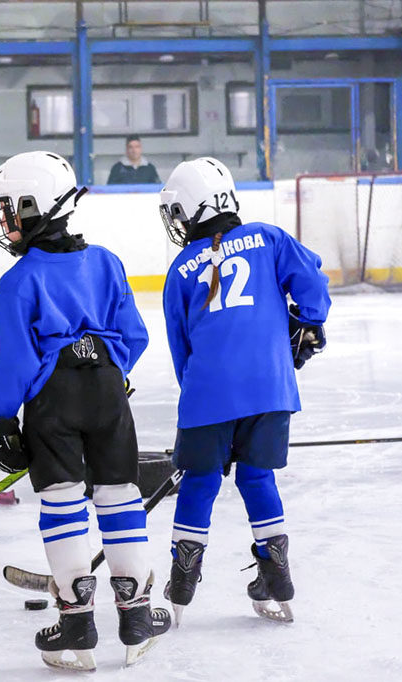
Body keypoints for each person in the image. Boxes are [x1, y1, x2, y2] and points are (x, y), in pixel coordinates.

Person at [0, 151, 170, 671]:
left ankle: (77, 621)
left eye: (11, 209)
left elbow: (15, 362)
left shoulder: (17, 281)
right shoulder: (105, 262)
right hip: (108, 392)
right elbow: (134, 336)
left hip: (50, 401)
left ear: (36, 206)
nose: (5, 220)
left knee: (62, 502)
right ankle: (135, 616)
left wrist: (0, 419)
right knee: (120, 494)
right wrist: (104, 367)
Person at [157, 157, 330, 626]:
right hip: (271, 388)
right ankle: (276, 577)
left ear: (193, 207)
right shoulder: (270, 238)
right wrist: (309, 323)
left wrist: (204, 401)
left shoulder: (180, 268)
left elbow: (181, 348)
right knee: (257, 479)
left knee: (201, 481)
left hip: (208, 395)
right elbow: (311, 283)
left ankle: (183, 580)